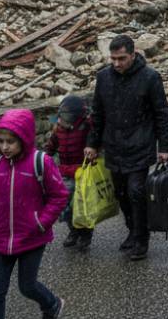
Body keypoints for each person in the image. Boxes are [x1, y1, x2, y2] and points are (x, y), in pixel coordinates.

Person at [84, 34, 168, 261]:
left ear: (133, 55)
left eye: (121, 58)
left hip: (140, 144)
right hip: (114, 145)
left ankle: (142, 238)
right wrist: (92, 144)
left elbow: (161, 113)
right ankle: (132, 230)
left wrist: (164, 146)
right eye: (113, 58)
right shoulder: (104, 77)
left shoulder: (150, 78)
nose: (117, 63)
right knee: (121, 193)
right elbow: (98, 113)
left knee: (136, 192)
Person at [0, 108, 68, 319]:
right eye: (1, 141)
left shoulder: (41, 162)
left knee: (27, 286)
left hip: (32, 238)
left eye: (10, 141)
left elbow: (59, 195)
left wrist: (40, 223)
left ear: (24, 138)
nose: (5, 147)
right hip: (1, 238)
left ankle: (52, 304)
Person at [44, 93, 93, 251]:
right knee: (65, 204)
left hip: (84, 171)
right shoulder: (58, 129)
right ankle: (74, 231)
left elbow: (97, 142)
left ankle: (85, 233)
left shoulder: (87, 126)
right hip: (65, 171)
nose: (61, 119)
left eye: (66, 115)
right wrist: (42, 161)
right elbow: (50, 148)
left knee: (82, 206)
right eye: (61, 115)